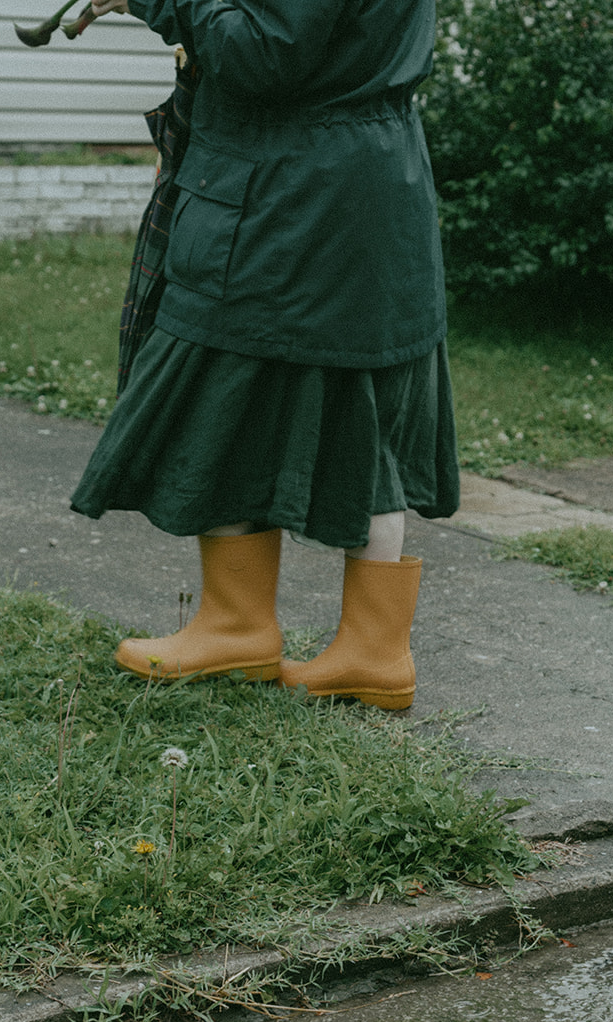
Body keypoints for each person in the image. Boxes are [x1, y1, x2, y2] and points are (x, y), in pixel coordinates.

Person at [71, 0, 457, 712]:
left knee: (223, 389)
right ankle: (338, 643)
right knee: (355, 408)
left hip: (292, 187)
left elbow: (263, 51)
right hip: (352, 177)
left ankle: (250, 625)